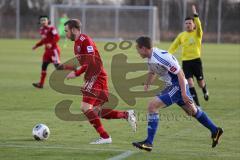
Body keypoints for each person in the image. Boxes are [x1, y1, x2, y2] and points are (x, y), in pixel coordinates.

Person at [132, 36, 223, 152]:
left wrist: (184, 93)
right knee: (192, 111)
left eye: (137, 49)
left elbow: (180, 73)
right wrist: (147, 83)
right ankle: (215, 130)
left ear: (144, 48)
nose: (137, 51)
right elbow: (153, 71)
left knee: (152, 106)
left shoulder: (160, 57)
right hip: (173, 85)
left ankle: (149, 142)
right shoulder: (150, 58)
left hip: (177, 85)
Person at [59, 19, 137, 144]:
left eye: (66, 31)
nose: (65, 34)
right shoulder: (77, 44)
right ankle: (126, 115)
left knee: (85, 107)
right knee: (97, 112)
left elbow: (92, 62)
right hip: (96, 76)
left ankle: (105, 137)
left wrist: (77, 73)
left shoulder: (86, 41)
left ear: (74, 30)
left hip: (96, 76)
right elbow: (82, 62)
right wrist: (66, 67)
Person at [168, 5, 208, 107]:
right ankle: (197, 105)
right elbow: (174, 46)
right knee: (190, 83)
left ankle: (205, 90)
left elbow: (199, 25)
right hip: (186, 62)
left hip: (196, 61)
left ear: (194, 24)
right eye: (186, 23)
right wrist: (167, 55)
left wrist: (196, 15)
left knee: (200, 83)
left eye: (190, 23)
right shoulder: (181, 35)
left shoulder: (197, 33)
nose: (188, 25)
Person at [32, 15, 61, 88]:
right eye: (42, 20)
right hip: (47, 52)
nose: (43, 21)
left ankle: (72, 69)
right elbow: (43, 40)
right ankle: (41, 84)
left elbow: (57, 37)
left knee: (58, 67)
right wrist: (37, 45)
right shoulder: (41, 30)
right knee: (44, 66)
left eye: (45, 20)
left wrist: (51, 44)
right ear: (40, 22)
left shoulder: (52, 28)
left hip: (54, 51)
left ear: (48, 21)